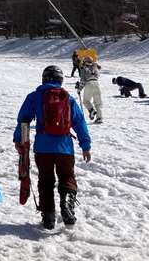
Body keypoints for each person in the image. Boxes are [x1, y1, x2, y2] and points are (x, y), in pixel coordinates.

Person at [14, 65, 92, 229]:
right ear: (60, 80)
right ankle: (67, 203)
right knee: (67, 177)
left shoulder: (34, 96)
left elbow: (23, 120)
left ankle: (48, 216)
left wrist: (19, 140)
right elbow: (80, 123)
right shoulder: (68, 98)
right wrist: (85, 145)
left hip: (42, 148)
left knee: (45, 180)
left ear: (44, 79)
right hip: (65, 148)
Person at [78, 56, 103, 124]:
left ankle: (91, 110)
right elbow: (98, 72)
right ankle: (99, 118)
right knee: (98, 102)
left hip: (89, 83)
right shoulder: (95, 67)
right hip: (97, 84)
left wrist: (79, 89)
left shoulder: (84, 68)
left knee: (86, 101)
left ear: (85, 62)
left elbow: (83, 80)